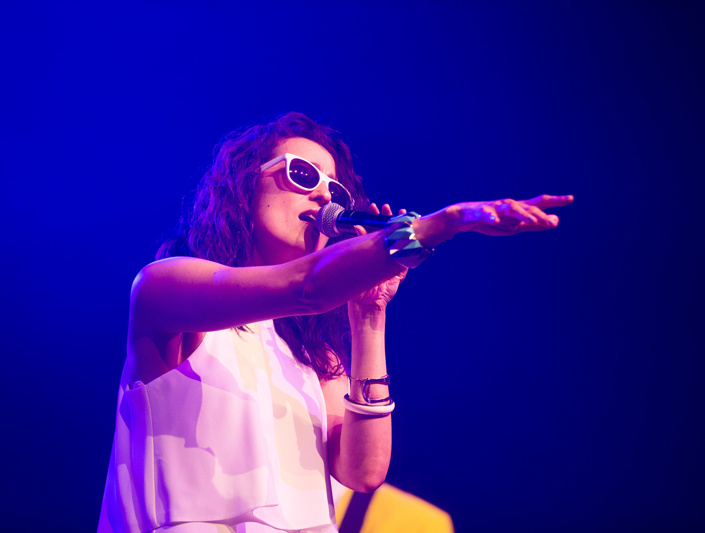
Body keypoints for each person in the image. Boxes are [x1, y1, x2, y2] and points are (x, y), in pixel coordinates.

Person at [96, 112, 573, 533]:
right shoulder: (166, 286)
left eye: (336, 188)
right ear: (243, 187)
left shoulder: (311, 358)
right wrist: (440, 224)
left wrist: (369, 314)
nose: (325, 194)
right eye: (302, 174)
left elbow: (363, 472)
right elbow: (307, 287)